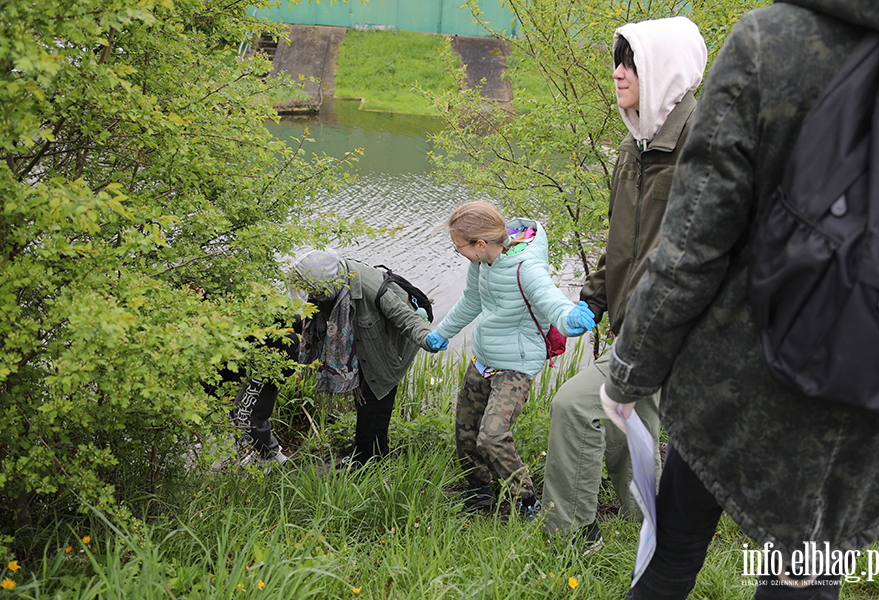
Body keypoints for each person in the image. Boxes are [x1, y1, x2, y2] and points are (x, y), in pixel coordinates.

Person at [600, 1, 879, 599]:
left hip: (735, 381)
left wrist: (629, 372)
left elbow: (692, 245)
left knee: (674, 551)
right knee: (805, 582)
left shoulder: (772, 39)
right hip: (874, 400)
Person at [540, 16, 707, 545]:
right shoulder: (634, 146)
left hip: (670, 330)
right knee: (631, 424)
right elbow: (623, 243)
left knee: (576, 406)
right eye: (616, 60)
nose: (617, 73)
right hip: (632, 321)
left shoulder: (703, 149)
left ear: (664, 70)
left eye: (631, 63)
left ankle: (569, 541)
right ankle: (645, 526)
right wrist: (589, 300)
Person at [427, 201, 596, 520]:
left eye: (457, 246)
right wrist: (442, 333)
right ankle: (478, 489)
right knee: (466, 430)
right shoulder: (480, 264)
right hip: (484, 357)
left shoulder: (526, 268)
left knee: (491, 435)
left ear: (479, 244)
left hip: (516, 365)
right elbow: (469, 303)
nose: (457, 251)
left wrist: (570, 318)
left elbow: (552, 302)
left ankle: (526, 499)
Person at [231, 248, 444, 467]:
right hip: (364, 339)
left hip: (389, 351)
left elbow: (406, 318)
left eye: (310, 287)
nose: (307, 291)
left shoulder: (371, 288)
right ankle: (363, 457)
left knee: (374, 406)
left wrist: (428, 339)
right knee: (365, 403)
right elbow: (310, 318)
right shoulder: (333, 279)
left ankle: (371, 466)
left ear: (323, 283)